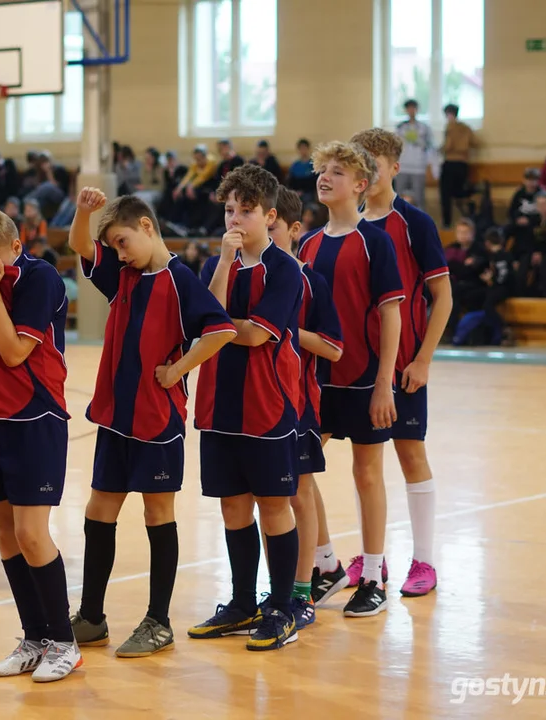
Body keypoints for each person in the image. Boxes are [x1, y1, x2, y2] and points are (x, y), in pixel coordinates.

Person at [67, 188, 235, 658]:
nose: (120, 254)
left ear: (146, 227)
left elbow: (220, 330)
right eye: (114, 248)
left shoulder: (181, 281)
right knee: (99, 509)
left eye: (123, 242)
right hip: (114, 418)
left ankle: (158, 621)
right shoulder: (123, 275)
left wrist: (179, 370)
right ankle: (92, 616)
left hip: (157, 421)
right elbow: (82, 246)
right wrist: (84, 212)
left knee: (157, 514)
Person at [187, 164, 305, 651]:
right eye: (230, 210)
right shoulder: (219, 266)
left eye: (247, 211)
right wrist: (219, 265)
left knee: (274, 506)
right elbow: (205, 322)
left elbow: (256, 334)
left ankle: (281, 607)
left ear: (269, 215)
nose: (235, 220)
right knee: (233, 506)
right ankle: (240, 603)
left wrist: (222, 327)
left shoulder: (285, 270)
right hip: (219, 405)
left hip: (267, 404)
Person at [0, 207, 81, 682]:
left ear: (16, 247)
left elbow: (14, 352)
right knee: (7, 534)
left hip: (35, 415)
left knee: (33, 534)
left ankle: (65, 642)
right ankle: (35, 637)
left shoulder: (40, 278)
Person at [297, 142, 404, 617]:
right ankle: (326, 566)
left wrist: (385, 382)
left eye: (337, 172)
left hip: (363, 378)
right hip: (317, 379)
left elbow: (391, 315)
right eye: (322, 171)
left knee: (366, 473)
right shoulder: (309, 244)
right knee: (299, 471)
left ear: (361, 185)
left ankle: (375, 574)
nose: (325, 178)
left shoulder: (374, 242)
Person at [349, 128, 451, 598]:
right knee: (363, 462)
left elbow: (442, 297)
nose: (367, 172)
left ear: (393, 167)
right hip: (357, 368)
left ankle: (425, 560)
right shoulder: (347, 224)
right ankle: (374, 558)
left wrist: (424, 359)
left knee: (410, 454)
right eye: (359, 164)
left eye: (375, 163)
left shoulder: (414, 223)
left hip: (404, 363)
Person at [267, 187, 342, 632]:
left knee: (300, 492)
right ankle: (280, 587)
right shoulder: (245, 275)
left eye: (272, 226)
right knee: (270, 498)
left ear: (293, 230)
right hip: (258, 406)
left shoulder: (311, 281)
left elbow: (333, 347)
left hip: (300, 404)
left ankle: (302, 590)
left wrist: (285, 327)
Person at [439, 104, 477, 229]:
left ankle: (447, 223)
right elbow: (475, 143)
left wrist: (441, 149)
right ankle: (467, 220)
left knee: (446, 195)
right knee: (461, 194)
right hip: (463, 163)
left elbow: (448, 146)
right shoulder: (466, 128)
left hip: (450, 162)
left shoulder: (450, 127)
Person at [395, 100, 433, 212]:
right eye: (409, 108)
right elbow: (395, 146)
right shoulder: (400, 127)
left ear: (417, 110)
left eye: (413, 108)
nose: (411, 111)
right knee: (398, 196)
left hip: (418, 167)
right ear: (406, 110)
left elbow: (430, 146)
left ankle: (420, 222)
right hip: (403, 166)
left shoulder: (424, 128)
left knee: (419, 197)